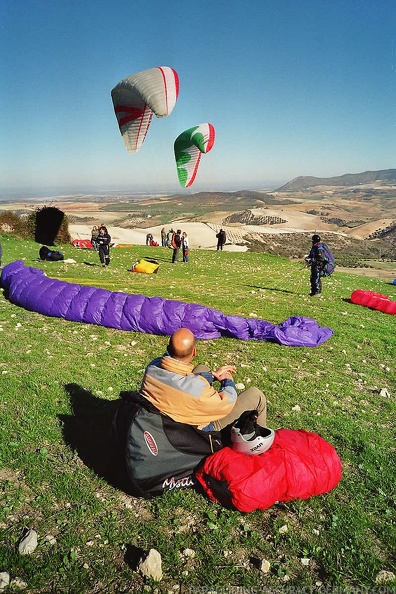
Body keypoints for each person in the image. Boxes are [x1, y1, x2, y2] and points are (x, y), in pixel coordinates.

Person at [139, 328, 267, 432]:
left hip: (165, 420)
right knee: (256, 396)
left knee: (202, 368)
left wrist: (212, 375)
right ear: (194, 352)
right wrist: (227, 381)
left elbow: (182, 382)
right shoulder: (197, 390)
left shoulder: (152, 367)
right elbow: (226, 402)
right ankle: (261, 441)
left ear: (168, 348)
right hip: (194, 431)